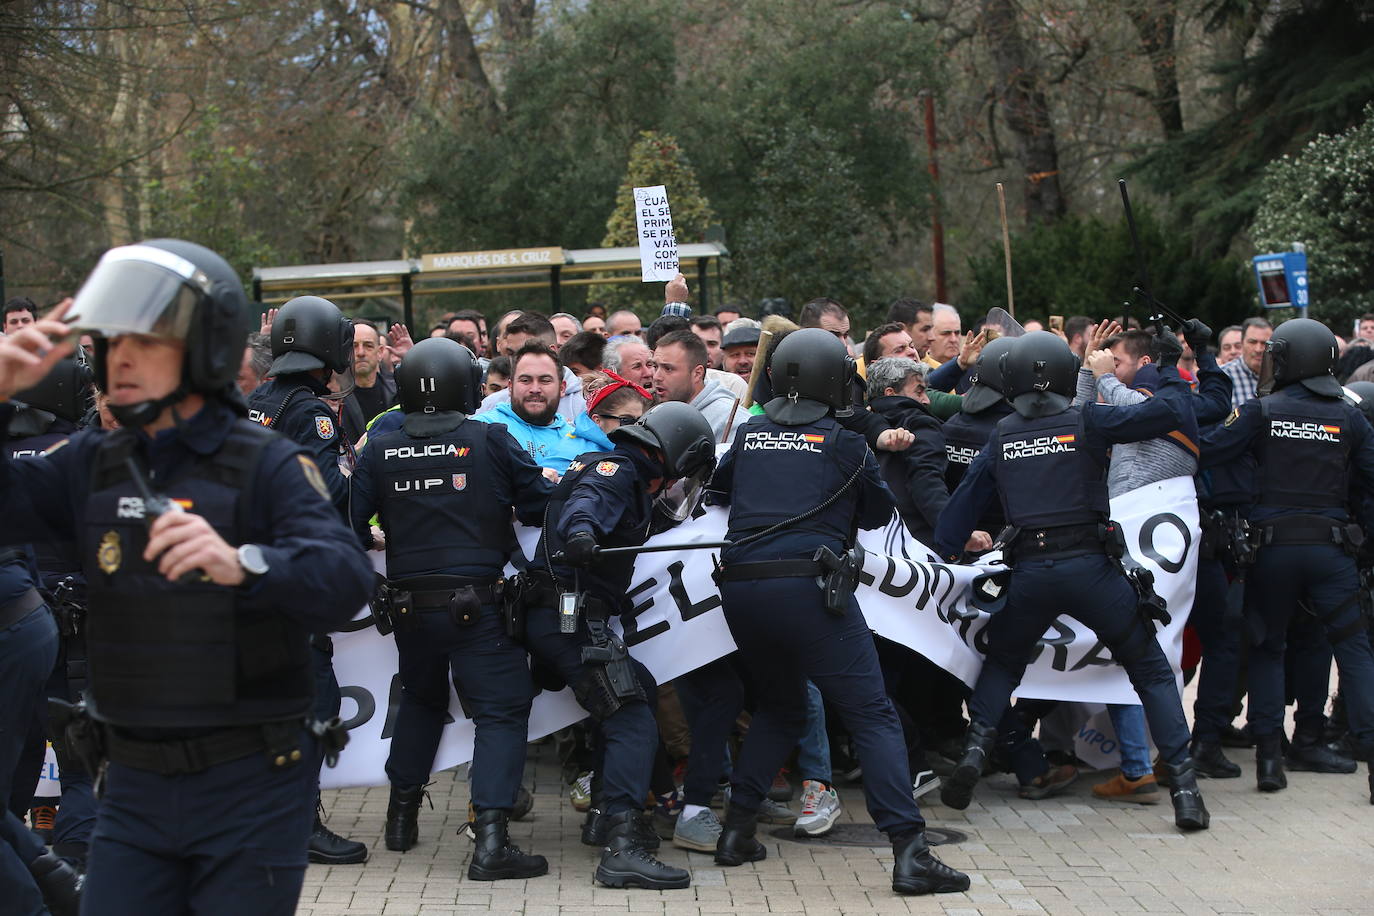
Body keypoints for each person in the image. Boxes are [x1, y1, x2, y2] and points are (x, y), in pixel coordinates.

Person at [0, 239, 373, 914]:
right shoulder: (93, 462)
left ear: (204, 349)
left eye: (143, 341)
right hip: (132, 789)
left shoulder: (265, 464)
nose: (118, 358)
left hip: (250, 787)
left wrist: (244, 563)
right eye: (110, 342)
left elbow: (344, 579)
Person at [706, 328, 970, 896]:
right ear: (836, 382)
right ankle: (910, 852)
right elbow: (876, 515)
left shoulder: (748, 434)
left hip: (742, 592)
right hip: (810, 590)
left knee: (780, 708)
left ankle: (736, 831)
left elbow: (718, 493)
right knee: (873, 715)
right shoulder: (846, 444)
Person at [934, 330, 1210, 831]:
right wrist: (1168, 364)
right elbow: (1170, 412)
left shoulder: (1001, 435)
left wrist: (949, 555)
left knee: (1002, 667)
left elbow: (955, 519)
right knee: (1149, 670)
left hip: (1029, 573)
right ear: (1067, 374)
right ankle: (1186, 793)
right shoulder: (1090, 418)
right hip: (1092, 571)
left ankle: (975, 754)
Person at [348, 337, 555, 878]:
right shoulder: (489, 439)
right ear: (465, 386)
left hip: (409, 610)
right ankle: (492, 844)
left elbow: (350, 521)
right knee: (502, 710)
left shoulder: (380, 448)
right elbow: (540, 503)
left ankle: (400, 821)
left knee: (421, 700)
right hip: (479, 607)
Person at [513, 401, 716, 889]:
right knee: (630, 717)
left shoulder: (625, 473)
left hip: (565, 615)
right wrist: (582, 533)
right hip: (568, 615)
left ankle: (605, 816)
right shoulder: (618, 470)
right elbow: (587, 505)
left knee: (638, 689)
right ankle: (622, 847)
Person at [1199, 318, 1374, 801]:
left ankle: (1269, 762)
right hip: (1332, 552)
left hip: (1271, 551)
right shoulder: (1349, 416)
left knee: (1267, 648)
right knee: (1354, 652)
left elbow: (1208, 450)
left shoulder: (1261, 410)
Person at [1078, 321, 1237, 801]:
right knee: (1153, 649)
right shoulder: (1168, 397)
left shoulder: (1159, 401)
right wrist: (1090, 370)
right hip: (1162, 542)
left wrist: (1100, 376)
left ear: (1145, 363)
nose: (1108, 364)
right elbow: (1079, 419)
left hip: (1150, 544)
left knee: (1139, 648)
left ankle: (1144, 764)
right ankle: (1163, 758)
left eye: (1117, 360)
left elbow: (1133, 413)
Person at [246, 294, 369, 865]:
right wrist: (358, 468)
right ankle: (297, 824)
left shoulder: (257, 402)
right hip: (294, 573)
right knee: (313, 697)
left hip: (253, 569)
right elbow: (327, 490)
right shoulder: (309, 412)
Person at [472, 341, 600, 475]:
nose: (535, 389)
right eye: (525, 380)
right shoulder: (481, 429)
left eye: (545, 380)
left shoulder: (578, 440)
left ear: (562, 388)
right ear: (510, 387)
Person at [652, 330, 740, 443]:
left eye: (668, 369)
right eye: (655, 366)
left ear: (697, 373)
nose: (656, 377)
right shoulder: (653, 412)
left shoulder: (733, 421)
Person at [350, 319, 397, 423]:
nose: (361, 353)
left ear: (380, 352)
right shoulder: (335, 398)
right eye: (354, 346)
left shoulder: (397, 392)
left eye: (368, 346)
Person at [1221, 317, 1273, 408]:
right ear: (1242, 343)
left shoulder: (1282, 376)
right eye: (1252, 342)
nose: (1258, 349)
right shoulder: (1221, 377)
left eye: (1264, 343)